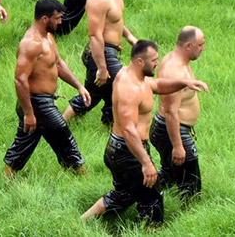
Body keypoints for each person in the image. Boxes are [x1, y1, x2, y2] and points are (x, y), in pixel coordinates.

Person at [81, 40, 208, 226]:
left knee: (123, 194)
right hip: (127, 151)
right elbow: (129, 130)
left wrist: (184, 82)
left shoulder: (136, 76)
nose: (157, 63)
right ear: (140, 61)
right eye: (154, 60)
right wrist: (146, 163)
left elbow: (157, 85)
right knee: (153, 201)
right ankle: (149, 230)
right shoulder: (129, 88)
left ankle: (82, 222)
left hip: (119, 149)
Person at [3, 0, 91, 178]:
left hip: (44, 101)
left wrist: (79, 86)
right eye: (57, 18)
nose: (61, 22)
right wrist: (29, 113)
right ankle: (84, 178)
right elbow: (20, 80)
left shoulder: (48, 37)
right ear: (45, 19)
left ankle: (7, 177)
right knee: (65, 138)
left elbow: (58, 64)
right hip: (37, 102)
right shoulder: (31, 43)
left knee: (25, 142)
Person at [63, 0, 139, 125]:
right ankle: (112, 127)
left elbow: (115, 19)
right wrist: (102, 67)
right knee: (123, 90)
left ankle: (60, 122)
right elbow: (95, 35)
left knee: (93, 94)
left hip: (106, 51)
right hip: (101, 53)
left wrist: (129, 37)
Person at [151, 26, 206, 200]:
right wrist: (178, 146)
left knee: (171, 175)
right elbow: (170, 111)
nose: (203, 49)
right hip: (172, 130)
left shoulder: (176, 60)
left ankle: (147, 194)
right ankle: (189, 214)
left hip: (167, 129)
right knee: (191, 184)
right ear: (188, 45)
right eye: (200, 45)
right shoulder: (174, 70)